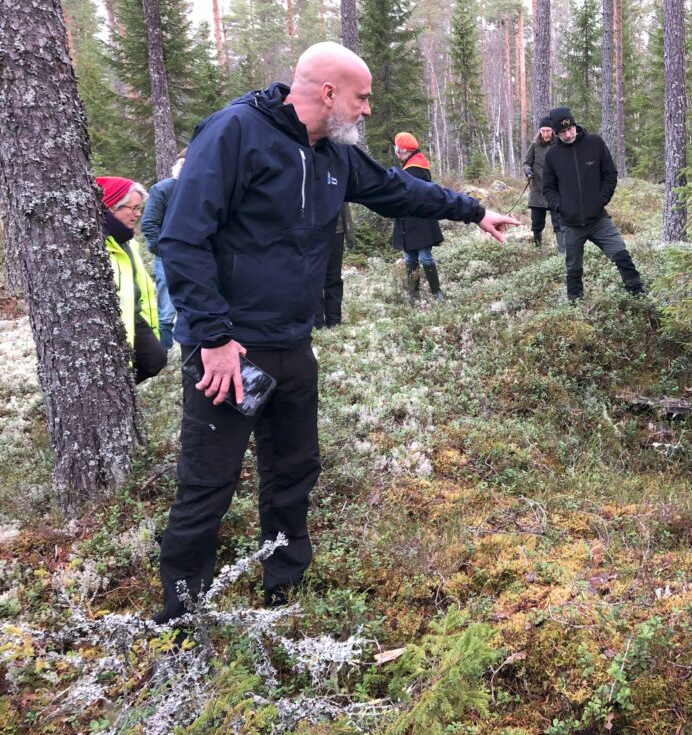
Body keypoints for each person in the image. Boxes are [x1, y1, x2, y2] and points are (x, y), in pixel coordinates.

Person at [154, 42, 519, 623]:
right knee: (207, 484)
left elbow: (400, 190)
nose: (368, 109)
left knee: (294, 468)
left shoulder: (333, 153)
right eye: (362, 97)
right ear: (328, 92)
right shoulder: (235, 133)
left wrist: (473, 211)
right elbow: (181, 238)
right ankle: (180, 616)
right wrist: (214, 340)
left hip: (293, 345)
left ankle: (285, 587)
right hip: (231, 350)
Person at [542, 106, 644, 302]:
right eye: (562, 132)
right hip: (570, 224)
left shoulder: (594, 143)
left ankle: (639, 296)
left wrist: (600, 200)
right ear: (556, 133)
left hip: (598, 220)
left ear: (574, 124)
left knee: (622, 255)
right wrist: (561, 206)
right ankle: (575, 305)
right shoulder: (552, 155)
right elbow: (548, 189)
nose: (568, 134)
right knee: (573, 269)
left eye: (570, 128)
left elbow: (610, 175)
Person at [95, 176, 168, 383]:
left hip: (134, 317)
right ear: (112, 207)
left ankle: (120, 392)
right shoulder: (100, 242)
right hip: (113, 322)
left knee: (156, 360)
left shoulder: (126, 239)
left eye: (139, 208)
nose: (138, 214)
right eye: (133, 208)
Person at [140, 148, 187, 348]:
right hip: (168, 259)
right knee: (167, 310)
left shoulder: (206, 189)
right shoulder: (162, 190)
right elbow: (149, 224)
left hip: (201, 258)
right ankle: (164, 353)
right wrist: (165, 252)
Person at [391, 132, 445, 302]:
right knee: (411, 257)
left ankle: (435, 293)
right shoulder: (416, 163)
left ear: (402, 150)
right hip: (414, 220)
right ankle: (416, 293)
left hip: (418, 220)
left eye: (397, 147)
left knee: (423, 257)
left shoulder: (413, 168)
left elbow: (407, 195)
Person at [522, 116, 563, 253]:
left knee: (559, 222)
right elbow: (527, 163)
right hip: (537, 190)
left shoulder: (559, 145)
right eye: (543, 131)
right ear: (540, 131)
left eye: (548, 131)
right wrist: (528, 172)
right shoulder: (534, 145)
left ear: (552, 131)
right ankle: (537, 249)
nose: (545, 134)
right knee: (537, 223)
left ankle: (562, 251)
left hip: (556, 191)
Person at [315, 202, 352, 327]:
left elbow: (344, 203)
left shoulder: (338, 182)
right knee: (314, 279)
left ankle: (334, 322)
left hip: (336, 232)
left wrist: (350, 233)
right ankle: (317, 323)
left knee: (333, 278)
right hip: (312, 232)